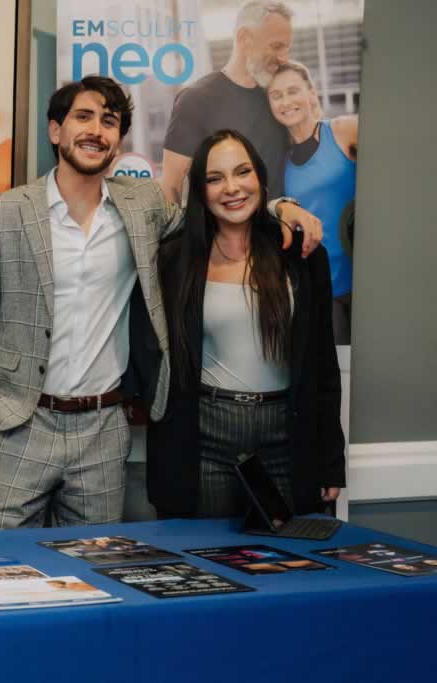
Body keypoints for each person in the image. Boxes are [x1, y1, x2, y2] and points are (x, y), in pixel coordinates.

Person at [0, 76, 318, 530]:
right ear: (55, 130)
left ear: (118, 140)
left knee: (94, 566)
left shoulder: (142, 205)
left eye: (109, 122)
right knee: (5, 565)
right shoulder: (2, 213)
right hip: (21, 426)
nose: (96, 130)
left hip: (103, 431)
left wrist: (280, 207)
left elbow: (214, 213)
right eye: (83, 117)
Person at [146, 129, 345, 519]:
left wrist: (330, 461)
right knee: (204, 552)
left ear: (260, 178)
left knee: (292, 553)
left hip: (287, 435)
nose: (231, 188)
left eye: (242, 172)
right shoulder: (175, 259)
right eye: (214, 178)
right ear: (200, 190)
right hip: (205, 437)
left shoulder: (301, 255)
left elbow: (322, 364)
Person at [161, 1, 294, 204]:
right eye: (276, 46)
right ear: (244, 38)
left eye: (287, 48)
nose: (284, 58)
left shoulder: (280, 97)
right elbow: (171, 186)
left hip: (280, 222)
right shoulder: (195, 100)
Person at [267, 61, 358, 344]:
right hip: (324, 290)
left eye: (293, 91)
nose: (286, 102)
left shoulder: (344, 130)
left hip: (369, 280)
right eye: (276, 95)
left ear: (311, 92)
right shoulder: (280, 163)